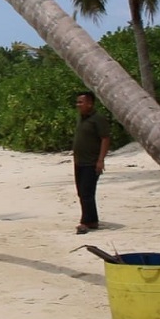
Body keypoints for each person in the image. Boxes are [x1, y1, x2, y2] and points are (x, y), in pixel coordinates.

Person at [72, 91, 110, 234]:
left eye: (81, 102)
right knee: (82, 192)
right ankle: (92, 219)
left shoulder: (98, 119)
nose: (78, 105)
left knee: (87, 192)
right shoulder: (82, 118)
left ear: (90, 103)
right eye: (77, 102)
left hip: (91, 162)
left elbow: (105, 139)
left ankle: (85, 222)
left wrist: (100, 160)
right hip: (79, 162)